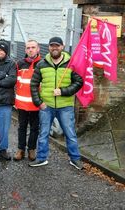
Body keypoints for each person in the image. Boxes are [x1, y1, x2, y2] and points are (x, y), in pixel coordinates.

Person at [29, 37, 84, 170]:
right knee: (43, 133)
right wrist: (39, 103)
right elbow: (34, 84)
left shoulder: (71, 63)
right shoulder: (42, 64)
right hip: (46, 106)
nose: (55, 48)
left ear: (62, 46)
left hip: (65, 106)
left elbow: (79, 82)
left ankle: (75, 159)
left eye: (57, 46)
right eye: (52, 46)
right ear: (48, 47)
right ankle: (41, 158)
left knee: (70, 133)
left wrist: (63, 91)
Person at [13, 40, 42, 161]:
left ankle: (31, 149)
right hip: (22, 102)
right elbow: (14, 81)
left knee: (34, 127)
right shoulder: (19, 63)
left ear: (38, 49)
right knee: (22, 126)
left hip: (36, 102)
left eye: (33, 47)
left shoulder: (43, 63)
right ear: (25, 50)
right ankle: (20, 149)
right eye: (28, 48)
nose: (30, 50)